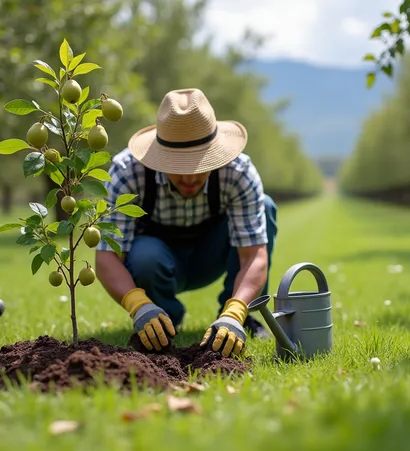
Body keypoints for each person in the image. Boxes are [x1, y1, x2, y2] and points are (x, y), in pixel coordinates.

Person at [94, 88, 278, 358]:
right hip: (155, 262)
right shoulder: (128, 173)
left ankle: (237, 319)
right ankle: (162, 319)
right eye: (179, 166)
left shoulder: (238, 172)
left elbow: (253, 256)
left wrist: (236, 309)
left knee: (267, 205)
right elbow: (107, 257)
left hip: (213, 255)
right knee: (146, 256)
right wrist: (138, 305)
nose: (189, 178)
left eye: (199, 165)